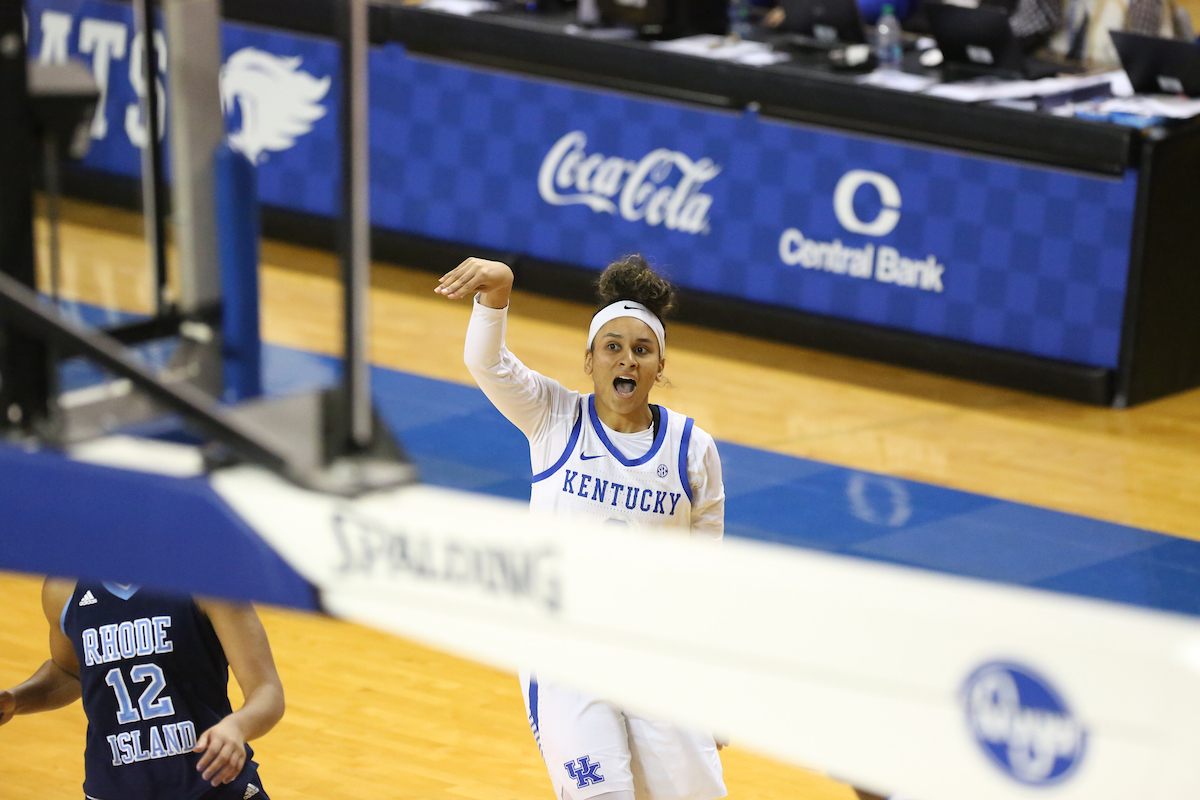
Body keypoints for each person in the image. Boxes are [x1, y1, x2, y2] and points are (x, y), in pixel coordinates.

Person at [436, 254, 727, 800]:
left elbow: (702, 575)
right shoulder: (554, 417)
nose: (627, 360)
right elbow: (487, 362)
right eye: (612, 347)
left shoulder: (693, 450)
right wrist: (494, 297)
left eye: (642, 350)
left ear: (660, 366)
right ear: (590, 359)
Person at [0, 578, 285, 799]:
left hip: (211, 787)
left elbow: (266, 689)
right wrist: (15, 699)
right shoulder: (63, 588)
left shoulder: (204, 580)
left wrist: (237, 726)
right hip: (112, 790)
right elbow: (69, 671)